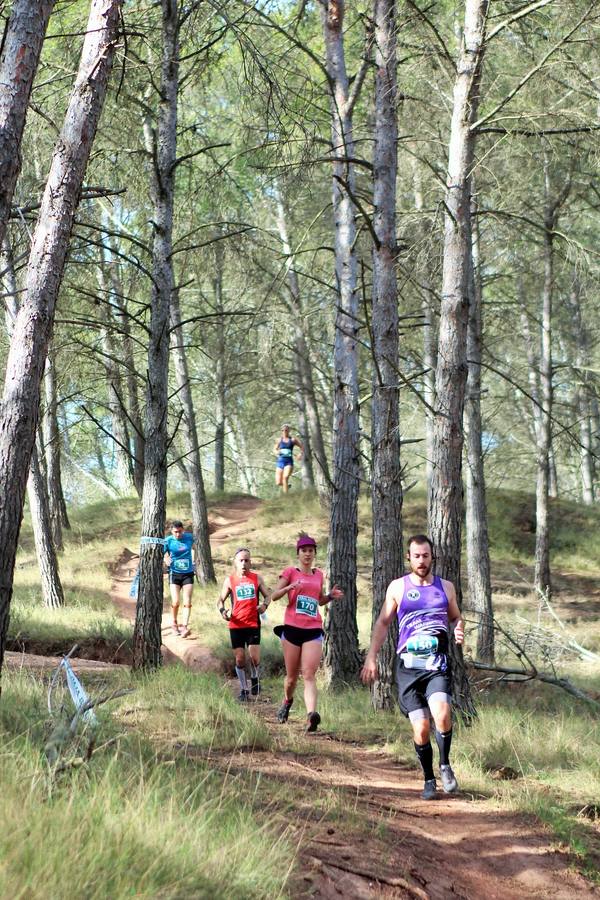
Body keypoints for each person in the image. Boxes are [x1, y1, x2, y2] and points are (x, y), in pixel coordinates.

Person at [360, 534, 465, 800]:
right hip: (408, 668)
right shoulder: (397, 587)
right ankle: (428, 779)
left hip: (436, 665)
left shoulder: (446, 588)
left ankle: (445, 765)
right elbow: (383, 623)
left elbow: (455, 617)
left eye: (425, 555)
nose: (421, 560)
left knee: (441, 714)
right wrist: (372, 656)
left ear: (432, 557)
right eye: (416, 556)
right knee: (421, 729)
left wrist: (460, 628)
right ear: (409, 557)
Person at [270, 534, 343, 732]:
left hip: (313, 629)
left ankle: (311, 716)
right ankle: (287, 701)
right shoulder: (290, 572)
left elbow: (318, 600)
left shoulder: (319, 575)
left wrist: (330, 596)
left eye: (311, 551)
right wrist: (289, 588)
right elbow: (273, 596)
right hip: (292, 628)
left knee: (309, 674)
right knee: (292, 678)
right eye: (304, 551)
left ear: (314, 553)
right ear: (298, 553)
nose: (308, 554)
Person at [217, 548, 271, 701]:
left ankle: (254, 678)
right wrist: (223, 611)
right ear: (235, 562)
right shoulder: (230, 580)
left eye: (247, 560)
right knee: (240, 659)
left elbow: (268, 596)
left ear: (250, 562)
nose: (244, 563)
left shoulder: (257, 578)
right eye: (241, 560)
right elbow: (220, 600)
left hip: (253, 623)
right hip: (236, 625)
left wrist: (264, 606)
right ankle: (244, 690)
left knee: (254, 658)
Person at [164, 520, 196, 638]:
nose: (178, 534)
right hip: (174, 574)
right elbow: (163, 553)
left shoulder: (189, 537)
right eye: (176, 532)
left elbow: (195, 547)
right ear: (171, 531)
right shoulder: (168, 540)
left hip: (188, 573)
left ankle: (185, 627)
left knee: (187, 601)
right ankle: (174, 623)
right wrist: (166, 558)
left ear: (183, 530)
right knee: (176, 601)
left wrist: (194, 559)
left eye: (180, 531)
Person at [273, 424, 303, 493]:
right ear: (281, 431)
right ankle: (286, 486)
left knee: (285, 477)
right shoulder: (279, 440)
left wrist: (300, 454)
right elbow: (274, 449)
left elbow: (302, 447)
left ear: (289, 430)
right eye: (282, 430)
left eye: (286, 430)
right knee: (278, 482)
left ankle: (286, 497)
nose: (284, 431)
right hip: (280, 462)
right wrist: (277, 452)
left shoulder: (293, 440)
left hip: (289, 462)